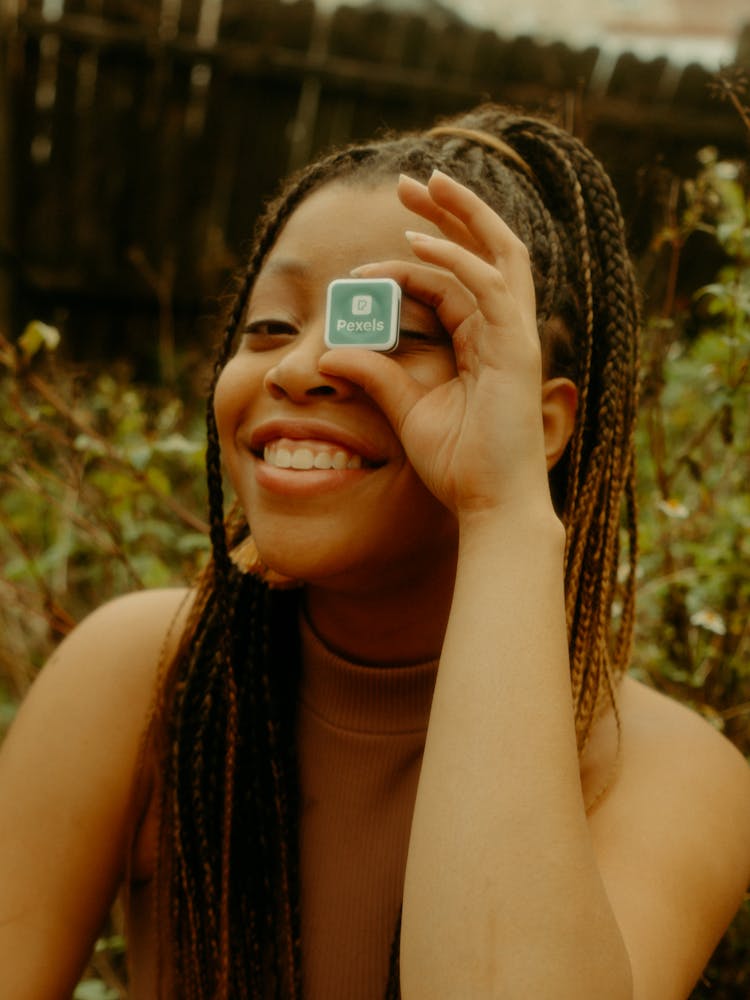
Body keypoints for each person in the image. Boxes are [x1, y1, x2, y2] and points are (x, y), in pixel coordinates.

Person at [1, 103, 749, 1000]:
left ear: (542, 425)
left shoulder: (668, 771)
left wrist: (504, 512)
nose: (300, 366)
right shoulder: (144, 674)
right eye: (269, 326)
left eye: (389, 332)